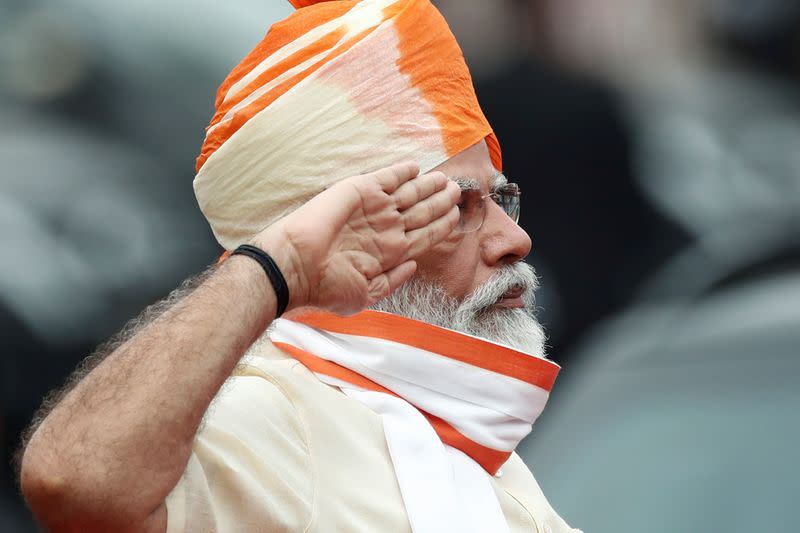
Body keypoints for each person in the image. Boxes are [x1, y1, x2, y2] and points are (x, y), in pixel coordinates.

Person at [19, 1, 581, 532]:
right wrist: (273, 267)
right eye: (457, 207)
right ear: (333, 242)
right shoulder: (273, 416)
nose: (515, 240)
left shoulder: (482, 456)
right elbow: (72, 481)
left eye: (500, 199)